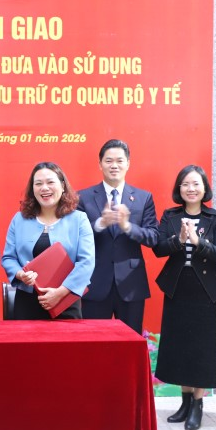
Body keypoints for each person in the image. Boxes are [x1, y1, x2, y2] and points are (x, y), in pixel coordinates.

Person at [152, 165, 216, 430]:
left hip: (206, 292)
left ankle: (197, 405)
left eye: (196, 184)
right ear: (179, 189)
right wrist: (179, 239)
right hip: (178, 290)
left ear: (204, 188)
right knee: (180, 348)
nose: (191, 189)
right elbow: (158, 249)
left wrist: (198, 242)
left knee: (201, 350)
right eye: (185, 184)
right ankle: (184, 403)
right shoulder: (170, 215)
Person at [77, 139, 158, 334]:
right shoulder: (83, 197)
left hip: (131, 284)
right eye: (109, 161)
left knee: (130, 342)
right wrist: (100, 223)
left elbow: (153, 236)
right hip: (94, 283)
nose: (114, 165)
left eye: (120, 161)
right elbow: (75, 237)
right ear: (100, 164)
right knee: (93, 342)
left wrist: (127, 226)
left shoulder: (143, 197)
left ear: (128, 163)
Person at [2, 162, 95, 319]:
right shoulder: (19, 219)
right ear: (32, 189)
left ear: (62, 186)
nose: (44, 188)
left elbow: (86, 262)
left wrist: (60, 293)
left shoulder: (79, 219)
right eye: (38, 184)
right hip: (27, 301)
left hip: (65, 300)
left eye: (50, 182)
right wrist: (20, 274)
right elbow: (8, 258)